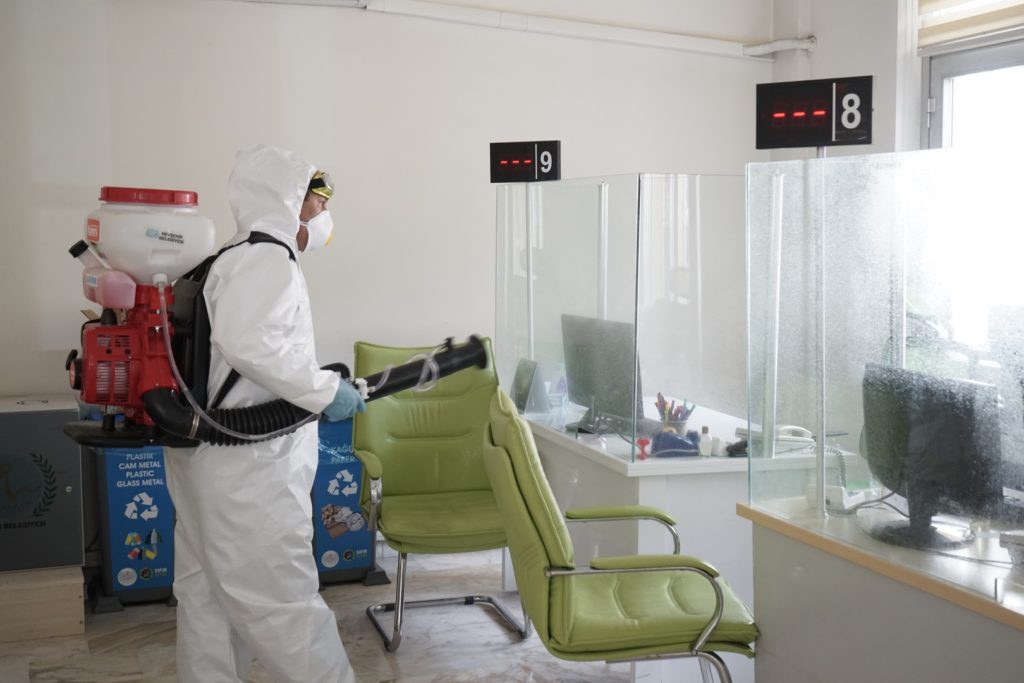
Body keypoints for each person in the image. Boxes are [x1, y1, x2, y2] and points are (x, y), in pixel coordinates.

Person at [164, 144, 364, 683]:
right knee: (283, 606)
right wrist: (325, 391)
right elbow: (253, 344)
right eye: (318, 200)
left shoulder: (227, 257)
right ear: (291, 200)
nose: (324, 213)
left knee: (207, 600)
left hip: (210, 464)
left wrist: (317, 387)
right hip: (250, 475)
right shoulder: (267, 257)